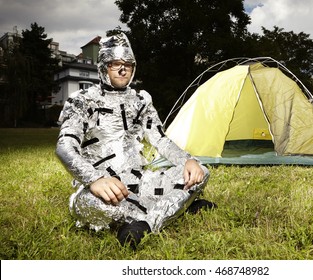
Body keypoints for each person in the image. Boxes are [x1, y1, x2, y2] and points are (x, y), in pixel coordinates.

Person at [56, 32, 216, 249]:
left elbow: (159, 139)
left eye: (128, 64)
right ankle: (180, 206)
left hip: (141, 182)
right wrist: (94, 180)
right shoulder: (82, 101)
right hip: (109, 188)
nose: (123, 69)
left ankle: (145, 224)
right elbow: (65, 147)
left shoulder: (141, 100)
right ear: (104, 67)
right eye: (115, 64)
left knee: (200, 172)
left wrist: (187, 160)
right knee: (89, 204)